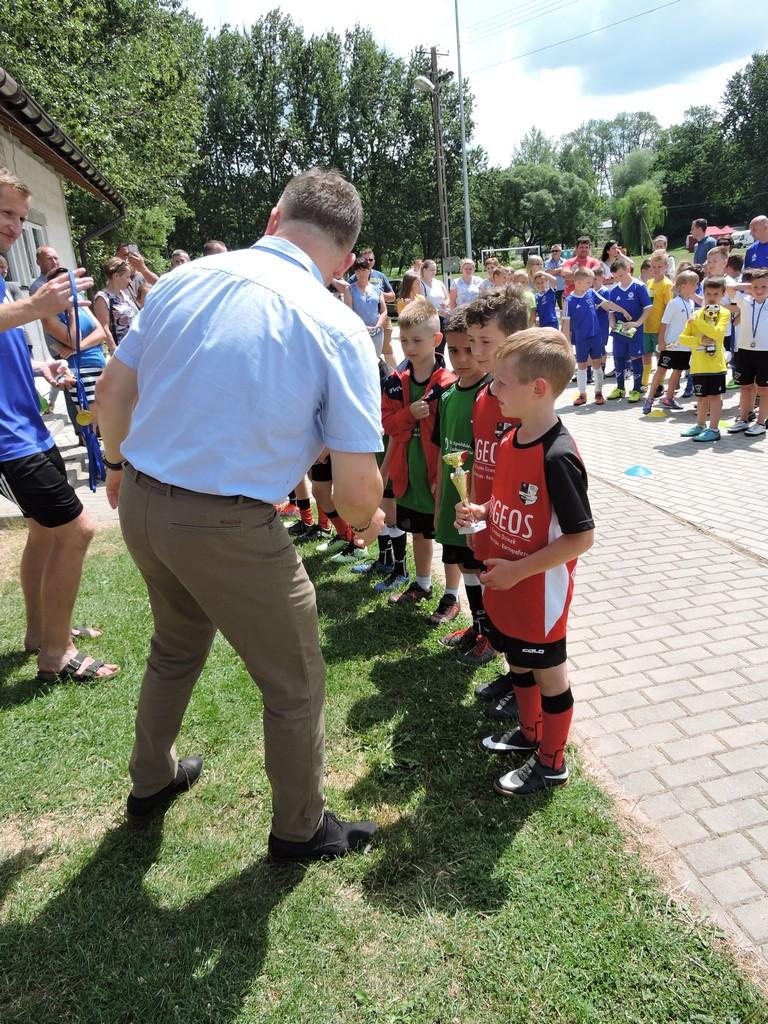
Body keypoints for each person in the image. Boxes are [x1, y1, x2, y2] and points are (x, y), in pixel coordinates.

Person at [96, 167, 385, 861]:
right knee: (295, 682)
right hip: (227, 522)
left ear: (273, 218)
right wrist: (366, 520)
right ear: (345, 258)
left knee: (175, 647)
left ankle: (151, 779)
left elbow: (111, 393)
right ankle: (300, 828)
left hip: (143, 499)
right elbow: (356, 490)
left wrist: (114, 466)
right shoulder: (338, 326)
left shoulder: (180, 281)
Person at [456, 328, 595, 796]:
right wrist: (481, 512)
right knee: (517, 661)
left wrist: (518, 570)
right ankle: (530, 733)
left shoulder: (558, 456)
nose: (493, 388)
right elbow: (508, 502)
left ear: (538, 388)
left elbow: (581, 537)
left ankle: (552, 761)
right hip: (508, 585)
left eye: (502, 381)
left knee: (548, 676)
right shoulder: (512, 438)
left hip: (539, 595)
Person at [0, 166, 117, 683]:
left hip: (26, 424)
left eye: (20, 216)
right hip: (8, 439)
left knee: (45, 532)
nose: (15, 226)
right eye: (5, 213)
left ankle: (41, 632)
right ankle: (56, 655)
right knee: (78, 528)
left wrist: (39, 366)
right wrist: (36, 306)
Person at [442, 285, 529, 674]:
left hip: (513, 519)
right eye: (471, 341)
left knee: (514, 600)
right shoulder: (483, 396)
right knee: (485, 580)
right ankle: (488, 638)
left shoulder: (521, 400)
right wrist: (472, 509)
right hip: (483, 511)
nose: (476, 351)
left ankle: (517, 674)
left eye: (484, 342)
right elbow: (480, 461)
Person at [380, 299, 455, 604]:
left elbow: (451, 435)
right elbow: (389, 425)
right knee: (419, 534)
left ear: (436, 340)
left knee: (449, 537)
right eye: (404, 341)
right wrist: (410, 414)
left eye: (416, 340)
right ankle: (423, 583)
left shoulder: (449, 385)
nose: (409, 347)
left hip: (437, 476)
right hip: (408, 476)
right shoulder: (395, 382)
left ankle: (452, 595)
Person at [431, 312, 490, 628]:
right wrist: (440, 501)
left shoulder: (491, 394)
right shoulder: (448, 396)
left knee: (482, 567)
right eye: (454, 351)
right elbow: (444, 452)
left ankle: (490, 633)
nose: (462, 358)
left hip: (480, 506)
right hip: (453, 503)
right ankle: (478, 627)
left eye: (469, 349)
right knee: (466, 565)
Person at [42, 266, 109, 415]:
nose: (69, 285)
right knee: (93, 422)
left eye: (70, 281)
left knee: (110, 418)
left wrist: (76, 349)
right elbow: (74, 341)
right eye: (63, 282)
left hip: (99, 363)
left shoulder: (80, 300)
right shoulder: (49, 313)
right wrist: (71, 311)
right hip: (80, 370)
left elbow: (101, 332)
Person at [562, 267, 628, 406]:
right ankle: (582, 394)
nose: (591, 285)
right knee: (581, 367)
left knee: (597, 365)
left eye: (591, 282)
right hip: (581, 339)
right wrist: (567, 345)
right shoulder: (569, 301)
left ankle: (598, 392)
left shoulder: (591, 293)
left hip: (595, 337)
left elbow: (606, 303)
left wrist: (622, 310)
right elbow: (565, 325)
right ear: (578, 282)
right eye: (588, 282)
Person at [677, 277, 731, 443]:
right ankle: (700, 425)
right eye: (708, 294)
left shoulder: (724, 313)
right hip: (698, 365)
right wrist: (699, 340)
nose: (712, 298)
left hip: (715, 365)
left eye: (716, 294)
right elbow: (682, 338)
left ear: (723, 294)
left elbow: (716, 334)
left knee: (715, 398)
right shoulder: (696, 314)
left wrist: (698, 322)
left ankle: (714, 429)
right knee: (701, 398)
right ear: (703, 294)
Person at [643, 270, 699, 415]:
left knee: (678, 371)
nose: (696, 286)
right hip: (670, 345)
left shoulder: (691, 302)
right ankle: (649, 398)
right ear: (684, 286)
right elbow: (664, 324)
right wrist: (661, 341)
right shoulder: (674, 303)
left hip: (685, 346)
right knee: (661, 370)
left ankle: (669, 398)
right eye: (694, 284)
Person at [605, 257, 653, 403]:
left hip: (635, 331)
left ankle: (636, 389)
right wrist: (612, 323)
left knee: (635, 357)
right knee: (618, 357)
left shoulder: (639, 287)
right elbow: (611, 310)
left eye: (621, 275)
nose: (619, 279)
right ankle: (620, 388)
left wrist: (637, 323)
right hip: (619, 330)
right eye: (615, 277)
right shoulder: (614, 290)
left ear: (628, 270)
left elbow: (648, 308)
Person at [727, 269, 768, 436]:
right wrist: (749, 286)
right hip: (745, 350)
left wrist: (757, 285)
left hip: (765, 352)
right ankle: (743, 420)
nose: (759, 290)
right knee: (745, 387)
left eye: (764, 286)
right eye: (756, 286)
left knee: (764, 390)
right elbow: (728, 287)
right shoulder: (745, 300)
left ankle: (761, 423)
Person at [642, 250, 675, 389]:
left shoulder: (667, 285)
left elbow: (668, 308)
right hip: (646, 327)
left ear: (666, 267)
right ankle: (644, 383)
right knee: (646, 355)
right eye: (653, 267)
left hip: (659, 328)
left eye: (659, 267)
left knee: (660, 357)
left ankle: (659, 384)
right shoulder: (649, 282)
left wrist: (664, 329)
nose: (656, 270)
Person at [93, 257, 140, 351]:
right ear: (116, 276)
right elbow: (104, 328)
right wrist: (115, 351)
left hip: (137, 347)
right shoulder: (103, 297)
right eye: (127, 277)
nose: (130, 281)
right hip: (122, 350)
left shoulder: (125, 295)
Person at [344, 256, 388, 356]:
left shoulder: (377, 290)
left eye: (363, 270)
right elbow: (349, 312)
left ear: (369, 271)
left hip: (376, 332)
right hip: (358, 332)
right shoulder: (349, 289)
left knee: (376, 359)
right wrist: (363, 327)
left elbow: (384, 311)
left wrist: (378, 326)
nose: (361, 273)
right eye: (358, 271)